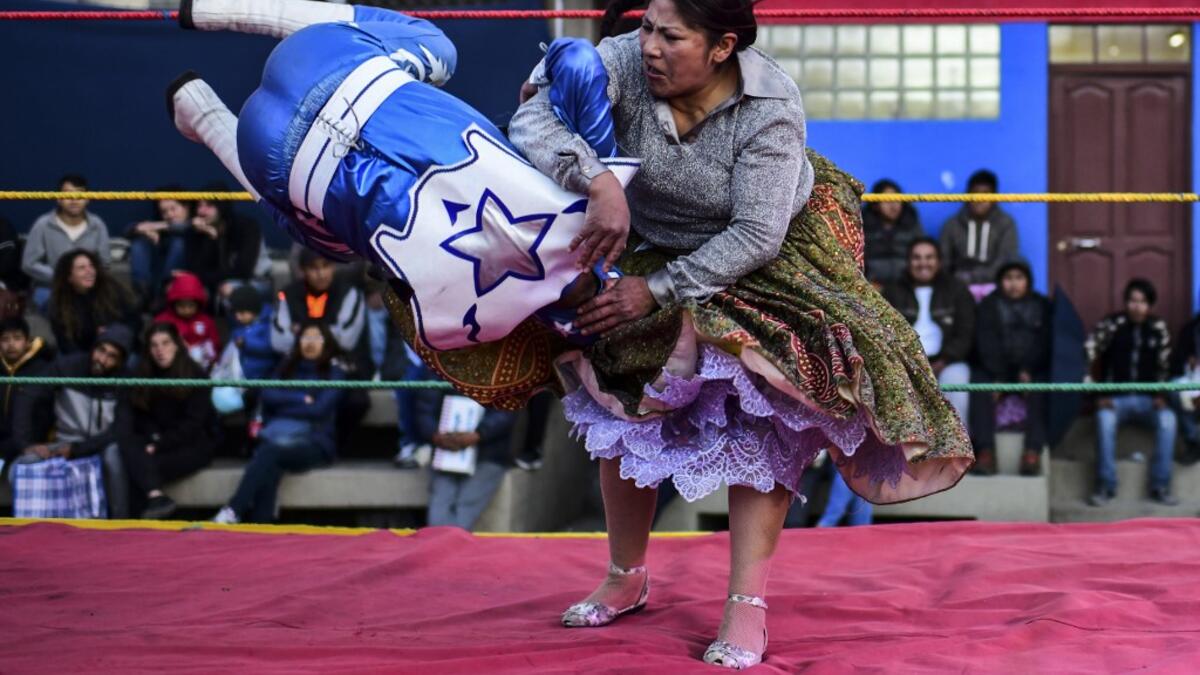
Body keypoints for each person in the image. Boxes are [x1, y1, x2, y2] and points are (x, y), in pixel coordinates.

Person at [173, 1, 972, 666]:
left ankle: (747, 601)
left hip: (747, 253)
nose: (648, 45)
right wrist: (595, 178)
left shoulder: (771, 108)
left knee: (756, 406)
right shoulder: (620, 57)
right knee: (618, 401)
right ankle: (626, 574)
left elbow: (756, 236)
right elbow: (533, 115)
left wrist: (652, 291)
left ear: (724, 47)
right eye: (648, 26)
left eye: (671, 36)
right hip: (621, 235)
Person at [213, 321, 345, 524]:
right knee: (271, 460)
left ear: (326, 342)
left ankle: (233, 510)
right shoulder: (286, 366)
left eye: (316, 337)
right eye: (305, 337)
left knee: (269, 453)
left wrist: (286, 403)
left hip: (315, 442)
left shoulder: (334, 372)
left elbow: (319, 409)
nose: (310, 342)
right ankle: (261, 523)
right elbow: (268, 395)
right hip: (278, 434)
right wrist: (301, 399)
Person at [10, 324, 135, 518]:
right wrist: (25, 444)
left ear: (120, 363)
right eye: (101, 350)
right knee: (20, 467)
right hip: (62, 443)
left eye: (112, 356)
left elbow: (119, 431)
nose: (102, 359)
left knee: (114, 453)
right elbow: (27, 395)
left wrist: (78, 449)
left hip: (100, 446)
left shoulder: (126, 380)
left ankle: (121, 523)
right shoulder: (66, 366)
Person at [1085, 278, 1178, 506]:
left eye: (1143, 302)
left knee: (1169, 420)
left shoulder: (1158, 329)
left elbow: (1166, 367)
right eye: (1132, 301)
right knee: (1104, 421)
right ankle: (1105, 486)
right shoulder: (1112, 325)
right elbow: (1087, 356)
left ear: (1151, 306)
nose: (1137, 306)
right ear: (1126, 302)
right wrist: (1098, 395)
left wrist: (1161, 395)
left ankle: (1160, 486)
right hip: (1114, 400)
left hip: (1149, 400)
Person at [118, 323, 217, 519]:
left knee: (142, 467)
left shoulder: (196, 376)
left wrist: (159, 444)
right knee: (129, 448)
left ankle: (140, 524)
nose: (159, 350)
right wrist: (153, 439)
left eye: (165, 343)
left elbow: (193, 424)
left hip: (191, 444)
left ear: (177, 345)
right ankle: (155, 501)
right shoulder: (144, 375)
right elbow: (142, 416)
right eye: (154, 345)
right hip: (155, 440)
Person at [969, 260, 1051, 476]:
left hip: (1029, 370)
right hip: (996, 369)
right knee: (979, 385)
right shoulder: (989, 305)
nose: (1013, 284)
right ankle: (985, 452)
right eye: (1008, 279)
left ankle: (1032, 452)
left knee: (1042, 386)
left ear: (1028, 281)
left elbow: (1045, 342)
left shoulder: (1042, 305)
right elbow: (984, 343)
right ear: (1000, 282)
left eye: (1019, 278)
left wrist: (1028, 370)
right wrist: (999, 376)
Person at [883, 238, 974, 423]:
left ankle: (957, 450)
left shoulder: (957, 290)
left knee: (956, 381)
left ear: (939, 261)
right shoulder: (892, 291)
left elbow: (966, 333)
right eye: (916, 258)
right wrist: (909, 363)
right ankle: (907, 450)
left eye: (929, 257)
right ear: (908, 262)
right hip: (904, 363)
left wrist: (943, 361)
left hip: (948, 362)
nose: (923, 263)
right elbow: (884, 332)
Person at [415, 367, 518, 530]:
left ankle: (443, 551)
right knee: (437, 514)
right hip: (446, 453)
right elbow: (424, 410)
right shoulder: (441, 363)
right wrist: (437, 435)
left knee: (463, 512)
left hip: (488, 455)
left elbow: (506, 413)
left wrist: (478, 435)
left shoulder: (501, 367)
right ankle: (442, 550)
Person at [21, 174, 111, 312]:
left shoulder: (98, 225)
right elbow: (29, 264)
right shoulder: (43, 225)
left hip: (87, 287)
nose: (74, 200)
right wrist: (63, 277)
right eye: (68, 195)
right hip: (51, 287)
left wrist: (84, 279)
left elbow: (104, 263)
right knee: (62, 309)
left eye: (79, 196)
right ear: (58, 198)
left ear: (88, 199)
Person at [185, 186, 273, 306]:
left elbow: (243, 271)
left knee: (229, 289)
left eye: (209, 206)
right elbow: (196, 270)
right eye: (199, 206)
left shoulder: (246, 226)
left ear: (221, 207)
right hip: (219, 284)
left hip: (256, 282)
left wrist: (207, 278)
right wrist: (211, 237)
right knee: (191, 291)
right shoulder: (199, 232)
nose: (201, 212)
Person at [939, 169, 1019, 299]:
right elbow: (944, 262)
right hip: (958, 287)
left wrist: (973, 277)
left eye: (986, 194)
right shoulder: (952, 225)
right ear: (967, 195)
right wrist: (956, 279)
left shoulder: (1006, 224)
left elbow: (1006, 261)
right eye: (975, 193)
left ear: (995, 197)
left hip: (995, 288)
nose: (980, 199)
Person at [270, 249, 365, 358]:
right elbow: (278, 342)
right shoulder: (288, 294)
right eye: (313, 268)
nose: (321, 274)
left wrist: (299, 331)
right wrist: (329, 331)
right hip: (297, 365)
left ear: (333, 266)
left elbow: (346, 340)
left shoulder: (349, 293)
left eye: (326, 266)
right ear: (303, 270)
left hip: (338, 364)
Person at [47, 249, 140, 356]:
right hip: (85, 354)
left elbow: (134, 321)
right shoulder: (59, 304)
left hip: (120, 348)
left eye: (91, 266)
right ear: (69, 277)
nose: (89, 271)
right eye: (81, 268)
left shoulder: (111, 288)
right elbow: (66, 344)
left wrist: (114, 334)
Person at [0, 317, 54, 475]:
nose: (11, 345)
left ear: (27, 342)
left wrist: (27, 443)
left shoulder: (42, 370)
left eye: (17, 338)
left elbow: (44, 417)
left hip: (29, 445)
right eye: (5, 339)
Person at [128, 192, 195, 305]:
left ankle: (163, 294)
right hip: (154, 278)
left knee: (178, 243)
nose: (169, 214)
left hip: (181, 279)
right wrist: (140, 229)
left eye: (173, 209)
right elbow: (128, 230)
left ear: (186, 207)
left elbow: (185, 227)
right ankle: (142, 294)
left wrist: (158, 225)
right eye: (164, 212)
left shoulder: (195, 224)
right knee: (139, 244)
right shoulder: (161, 230)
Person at [862, 178, 924, 288]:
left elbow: (920, 257)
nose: (893, 205)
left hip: (907, 288)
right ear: (875, 205)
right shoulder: (862, 225)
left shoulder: (912, 224)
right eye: (887, 200)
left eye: (896, 199)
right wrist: (867, 284)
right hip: (871, 287)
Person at [154, 271, 221, 371]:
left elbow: (214, 342)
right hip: (170, 365)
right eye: (182, 306)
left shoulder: (206, 321)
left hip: (200, 365)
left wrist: (209, 352)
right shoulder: (163, 320)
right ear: (174, 304)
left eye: (191, 306)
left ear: (198, 304)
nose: (186, 310)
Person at [1167, 305, 1200, 466]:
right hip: (1194, 382)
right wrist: (1189, 362)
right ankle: (1193, 442)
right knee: (1174, 387)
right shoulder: (1190, 330)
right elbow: (1176, 367)